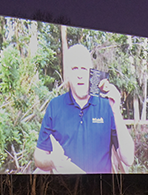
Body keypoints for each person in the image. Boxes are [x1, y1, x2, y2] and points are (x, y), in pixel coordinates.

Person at [34, 44, 134, 173]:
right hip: (66, 190)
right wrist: (52, 161)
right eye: (75, 69)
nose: (80, 75)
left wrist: (116, 111)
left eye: (84, 69)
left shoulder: (107, 106)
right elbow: (39, 157)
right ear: (68, 74)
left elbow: (129, 159)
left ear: (91, 72)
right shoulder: (55, 106)